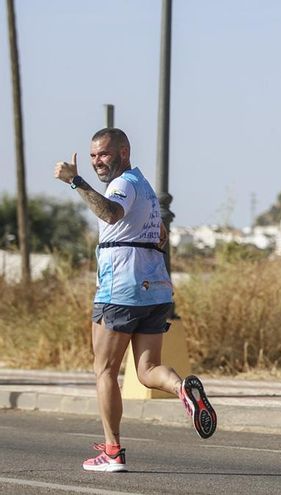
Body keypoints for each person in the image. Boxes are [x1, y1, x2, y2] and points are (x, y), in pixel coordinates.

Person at [53, 128, 217, 473]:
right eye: (94, 155)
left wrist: (76, 181)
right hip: (155, 289)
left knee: (105, 370)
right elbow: (160, 235)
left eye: (105, 154)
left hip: (121, 290)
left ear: (123, 152)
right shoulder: (145, 188)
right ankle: (182, 387)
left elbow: (110, 213)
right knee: (147, 370)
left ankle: (112, 450)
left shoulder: (122, 185)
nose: (98, 161)